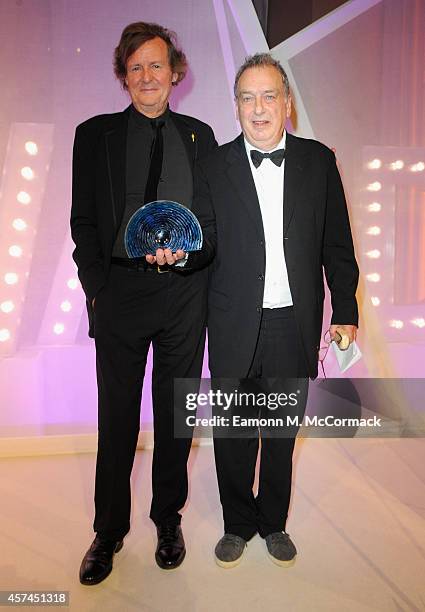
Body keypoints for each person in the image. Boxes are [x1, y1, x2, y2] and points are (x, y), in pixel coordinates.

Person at [167, 52, 359, 568]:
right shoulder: (212, 166)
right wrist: (183, 252)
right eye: (247, 98)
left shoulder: (319, 161)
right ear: (236, 107)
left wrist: (346, 310)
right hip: (232, 320)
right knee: (232, 433)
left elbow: (337, 245)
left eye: (269, 95)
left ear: (287, 103)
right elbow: (202, 242)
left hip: (292, 321)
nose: (258, 108)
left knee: (279, 434)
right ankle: (237, 523)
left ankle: (273, 522)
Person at [71, 21, 216, 585]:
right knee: (117, 420)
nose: (146, 76)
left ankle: (167, 519)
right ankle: (107, 532)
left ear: (175, 72)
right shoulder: (94, 135)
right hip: (120, 295)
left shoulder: (201, 136)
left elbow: (210, 222)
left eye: (156, 65)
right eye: (135, 67)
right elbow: (83, 221)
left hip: (184, 295)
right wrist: (97, 290)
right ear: (123, 76)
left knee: (176, 417)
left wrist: (187, 258)